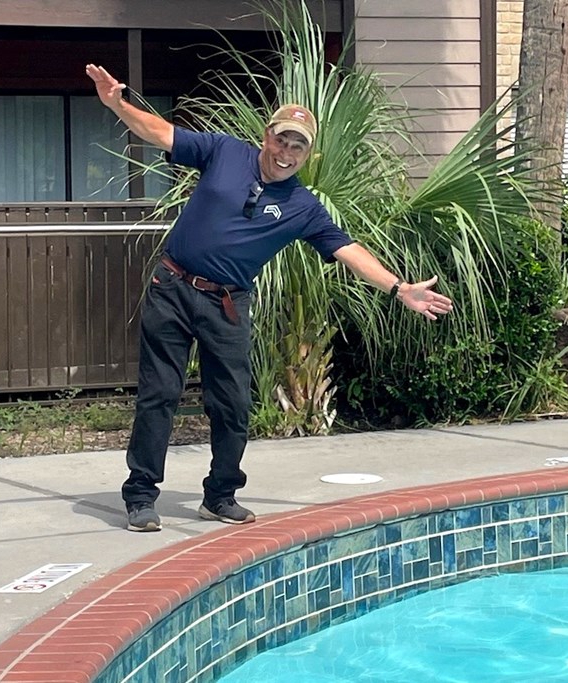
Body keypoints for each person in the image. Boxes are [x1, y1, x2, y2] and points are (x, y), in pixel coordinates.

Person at [85, 64, 454, 532]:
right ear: (267, 136)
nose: (287, 152)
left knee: (233, 403)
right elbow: (161, 132)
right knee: (159, 395)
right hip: (172, 288)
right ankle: (141, 496)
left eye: (298, 146)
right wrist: (116, 103)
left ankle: (220, 495)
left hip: (227, 304)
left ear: (308, 153)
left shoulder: (303, 207)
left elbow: (348, 250)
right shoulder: (224, 152)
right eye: (282, 140)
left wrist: (398, 288)